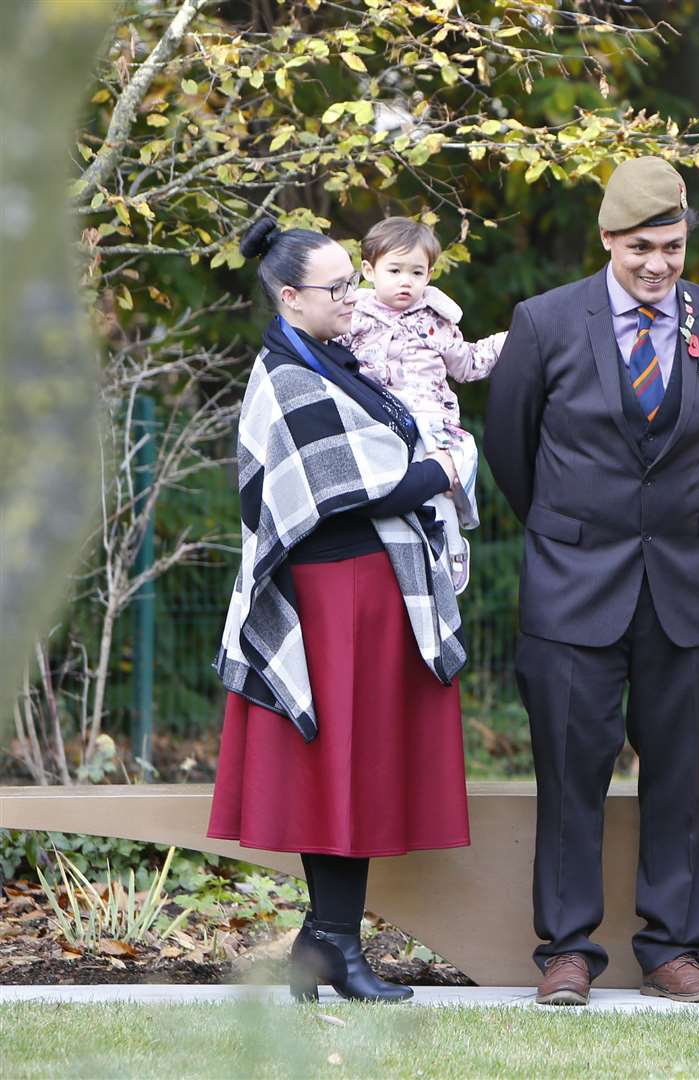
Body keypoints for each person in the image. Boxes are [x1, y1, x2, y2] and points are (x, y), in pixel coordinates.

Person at [483, 157, 699, 1007]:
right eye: (641, 246)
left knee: (680, 775)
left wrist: (676, 523)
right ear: (608, 240)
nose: (658, 263)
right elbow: (510, 449)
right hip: (573, 585)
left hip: (690, 582)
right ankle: (566, 950)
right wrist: (576, 530)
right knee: (570, 772)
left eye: (672, 246)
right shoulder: (543, 322)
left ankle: (673, 949)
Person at [208, 217, 470, 1003]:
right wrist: (444, 468)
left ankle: (325, 944)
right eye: (340, 289)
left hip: (369, 593)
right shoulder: (288, 378)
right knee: (335, 771)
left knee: (354, 770)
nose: (355, 299)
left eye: (353, 285)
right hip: (327, 599)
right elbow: (357, 487)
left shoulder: (336, 359)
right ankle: (333, 946)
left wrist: (431, 464)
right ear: (290, 297)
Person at [338, 216, 508, 594]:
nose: (405, 281)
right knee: (388, 494)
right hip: (377, 421)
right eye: (395, 270)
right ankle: (386, 561)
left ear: (429, 275)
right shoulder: (353, 319)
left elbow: (466, 364)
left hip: (431, 420)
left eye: (416, 272)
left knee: (446, 472)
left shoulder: (437, 321)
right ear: (369, 270)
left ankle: (449, 545)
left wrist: (512, 339)